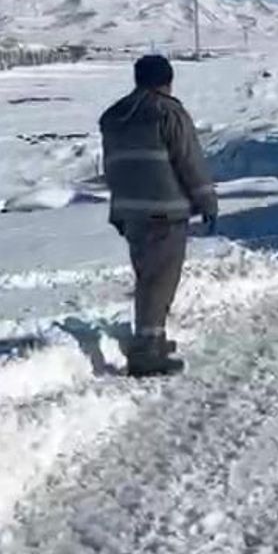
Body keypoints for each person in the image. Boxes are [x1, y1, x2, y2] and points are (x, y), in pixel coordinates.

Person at [99, 55, 217, 377]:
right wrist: (207, 201)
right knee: (160, 279)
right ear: (167, 81)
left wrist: (120, 208)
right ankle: (146, 351)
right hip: (165, 210)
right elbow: (189, 161)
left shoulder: (115, 115)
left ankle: (153, 336)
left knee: (147, 275)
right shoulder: (169, 112)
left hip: (129, 210)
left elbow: (112, 165)